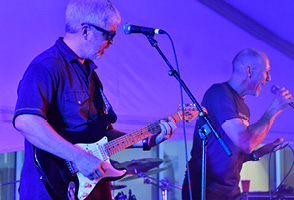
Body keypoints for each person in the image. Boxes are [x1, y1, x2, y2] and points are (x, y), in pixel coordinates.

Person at [13, 0, 176, 199]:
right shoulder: (46, 66)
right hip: (52, 189)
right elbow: (26, 121)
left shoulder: (90, 74)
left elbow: (102, 136)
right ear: (86, 30)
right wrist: (77, 157)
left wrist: (146, 139)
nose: (112, 41)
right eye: (108, 34)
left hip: (93, 187)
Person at [182, 48, 294, 200]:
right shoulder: (219, 93)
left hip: (230, 192)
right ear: (249, 71)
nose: (268, 78)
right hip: (206, 191)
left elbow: (233, 153)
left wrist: (262, 151)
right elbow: (245, 143)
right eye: (266, 71)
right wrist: (273, 110)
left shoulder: (243, 107)